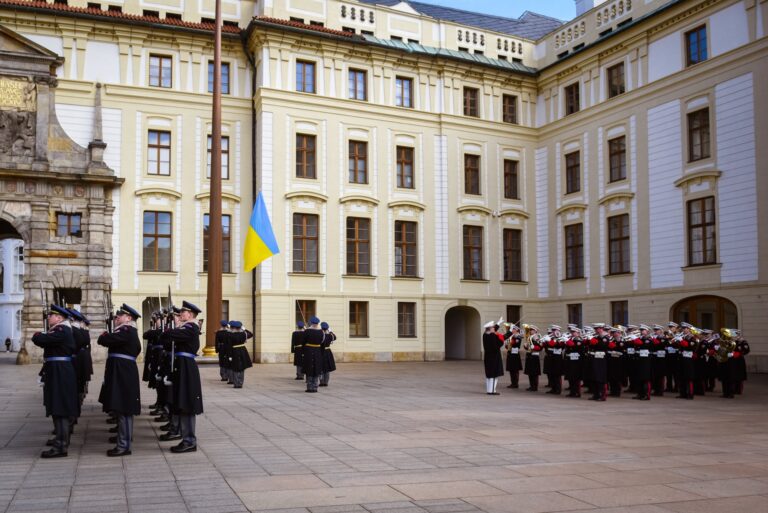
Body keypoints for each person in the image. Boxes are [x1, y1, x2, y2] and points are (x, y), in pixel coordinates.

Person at [32, 304, 78, 458]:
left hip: (60, 371)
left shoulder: (62, 330)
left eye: (51, 315)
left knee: (60, 409)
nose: (48, 317)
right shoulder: (61, 329)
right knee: (57, 408)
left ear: (59, 318)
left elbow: (40, 339)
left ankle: (61, 446)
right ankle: (60, 440)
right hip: (57, 370)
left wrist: (38, 334)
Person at [97, 304, 142, 457]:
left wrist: (105, 335)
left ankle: (123, 445)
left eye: (120, 316)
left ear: (128, 318)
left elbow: (104, 340)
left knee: (124, 409)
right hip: (121, 371)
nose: (117, 318)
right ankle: (123, 441)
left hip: (123, 372)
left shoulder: (126, 330)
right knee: (123, 409)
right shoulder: (126, 330)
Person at [165, 301, 204, 453]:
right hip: (181, 366)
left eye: (184, 312)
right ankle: (185, 437)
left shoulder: (191, 327)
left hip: (187, 368)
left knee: (187, 403)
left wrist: (167, 331)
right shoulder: (184, 327)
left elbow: (170, 335)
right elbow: (167, 341)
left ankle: (189, 440)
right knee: (181, 402)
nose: (181, 314)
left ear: (191, 315)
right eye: (181, 312)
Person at [227, 321, 253, 388]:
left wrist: (229, 356)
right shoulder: (244, 334)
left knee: (235, 367)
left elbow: (229, 346)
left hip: (234, 351)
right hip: (242, 350)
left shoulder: (230, 335)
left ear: (233, 328)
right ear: (239, 328)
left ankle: (236, 384)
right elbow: (251, 334)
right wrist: (244, 329)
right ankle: (240, 383)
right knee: (242, 367)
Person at [302, 317, 324, 393]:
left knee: (309, 369)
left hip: (308, 351)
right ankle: (315, 387)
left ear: (311, 323)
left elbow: (303, 341)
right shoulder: (321, 332)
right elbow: (322, 342)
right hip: (317, 351)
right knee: (316, 369)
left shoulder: (307, 331)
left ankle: (309, 387)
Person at [482, 321, 504, 395]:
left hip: (487, 357)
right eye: (493, 327)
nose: (494, 328)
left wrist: (498, 324)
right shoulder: (492, 336)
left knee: (489, 375)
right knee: (494, 375)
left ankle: (489, 390)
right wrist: (502, 341)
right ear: (490, 328)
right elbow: (497, 345)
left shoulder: (485, 335)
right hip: (494, 357)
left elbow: (493, 334)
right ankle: (492, 391)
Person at [523, 325, 542, 391]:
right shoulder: (529, 337)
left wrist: (535, 347)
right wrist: (525, 346)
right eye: (530, 330)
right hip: (529, 355)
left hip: (534, 355)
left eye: (532, 330)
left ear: (535, 331)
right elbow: (528, 347)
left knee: (534, 373)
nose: (530, 331)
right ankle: (531, 385)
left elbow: (540, 347)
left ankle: (535, 386)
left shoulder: (537, 337)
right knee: (530, 372)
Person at [504, 324, 523, 388]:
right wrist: (506, 344)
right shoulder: (511, 336)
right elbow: (508, 347)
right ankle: (512, 382)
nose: (512, 330)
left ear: (517, 330)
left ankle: (515, 383)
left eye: (513, 329)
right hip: (510, 353)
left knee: (515, 370)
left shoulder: (518, 336)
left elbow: (515, 343)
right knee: (511, 369)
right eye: (512, 329)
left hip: (515, 354)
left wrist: (509, 341)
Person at [319, 322, 336, 387]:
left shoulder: (320, 335)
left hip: (321, 351)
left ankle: (321, 382)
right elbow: (334, 337)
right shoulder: (330, 335)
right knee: (327, 368)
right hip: (328, 352)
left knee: (321, 368)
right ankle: (326, 382)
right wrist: (330, 331)